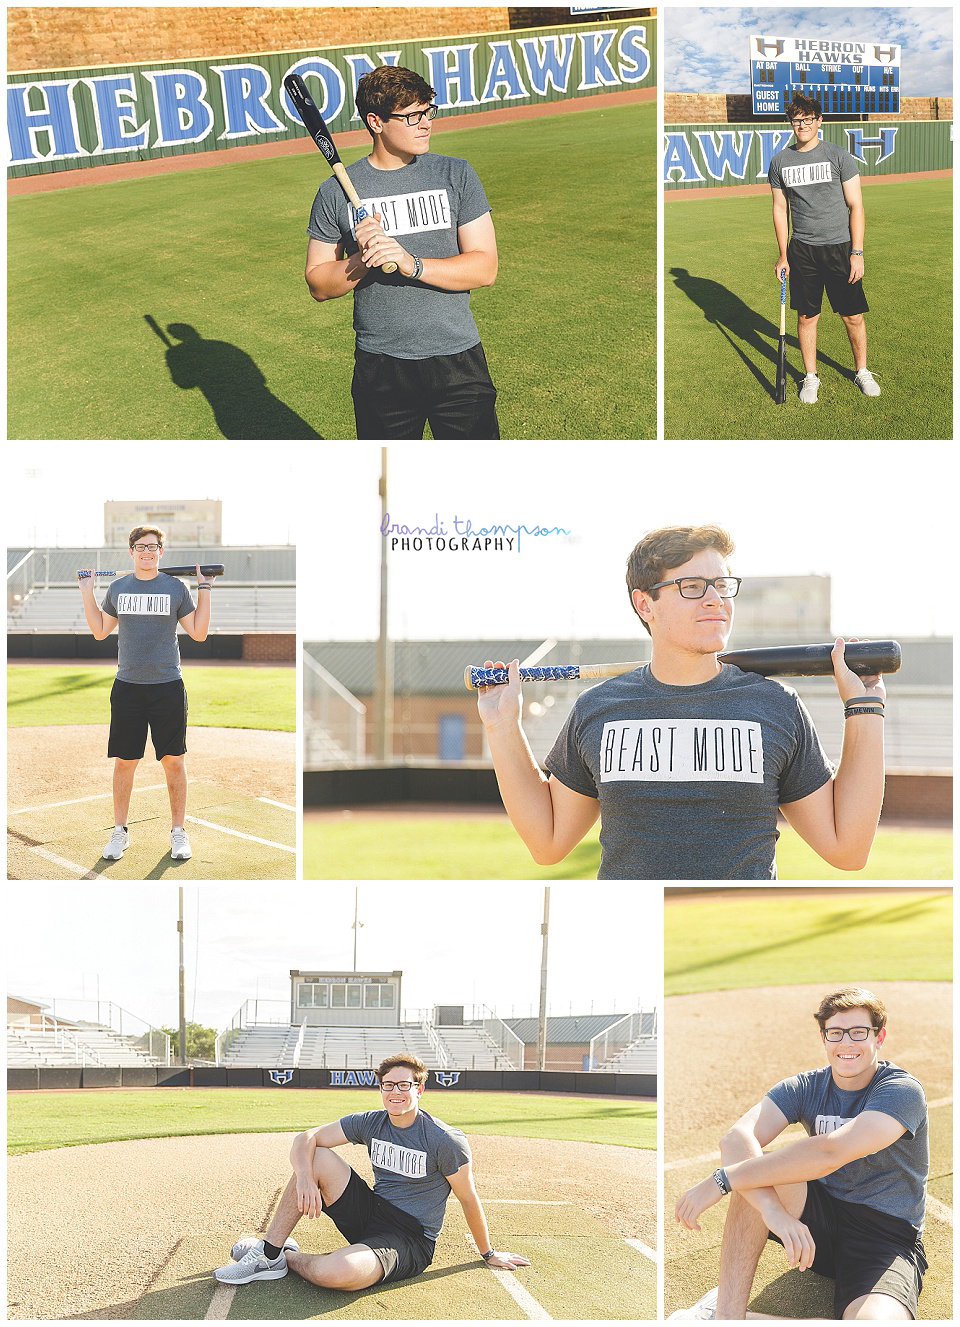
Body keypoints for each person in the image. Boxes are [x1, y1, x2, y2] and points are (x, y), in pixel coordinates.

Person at [477, 524, 885, 880]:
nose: (715, 600)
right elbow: (547, 843)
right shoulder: (599, 709)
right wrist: (501, 724)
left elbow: (847, 850)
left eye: (722, 585)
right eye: (691, 587)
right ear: (644, 604)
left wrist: (865, 708)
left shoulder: (775, 706)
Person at [670, 986, 928, 1321]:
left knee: (744, 1173)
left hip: (884, 1236)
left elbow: (830, 1151)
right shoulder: (805, 1086)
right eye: (835, 1033)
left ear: (879, 1038)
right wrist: (770, 1210)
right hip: (819, 1219)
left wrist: (723, 1179)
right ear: (823, 1038)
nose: (846, 1043)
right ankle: (725, 1317)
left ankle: (722, 1317)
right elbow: (735, 1138)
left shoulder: (901, 1090)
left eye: (858, 1032)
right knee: (754, 1171)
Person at [213, 1053, 530, 1289]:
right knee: (317, 1156)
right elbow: (305, 1139)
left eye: (404, 1085)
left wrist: (488, 1253)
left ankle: (288, 1257)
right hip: (372, 1213)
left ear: (419, 1090)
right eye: (388, 1085)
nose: (395, 1092)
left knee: (334, 1273)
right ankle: (268, 1253)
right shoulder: (372, 1122)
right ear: (381, 1089)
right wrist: (307, 1179)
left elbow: (468, 1198)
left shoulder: (444, 1140)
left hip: (409, 1237)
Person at [303, 64, 499, 440]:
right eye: (412, 116)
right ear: (375, 121)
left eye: (428, 111)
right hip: (382, 367)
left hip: (458, 358)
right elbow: (318, 284)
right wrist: (362, 260)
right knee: (389, 491)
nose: (425, 123)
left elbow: (484, 267)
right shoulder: (335, 192)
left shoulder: (456, 175)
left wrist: (411, 263)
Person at [77, 525, 213, 861]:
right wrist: (87, 591)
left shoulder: (175, 587)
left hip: (167, 687)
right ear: (131, 552)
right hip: (128, 688)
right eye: (140, 547)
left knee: (173, 761)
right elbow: (99, 631)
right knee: (125, 762)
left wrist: (205, 588)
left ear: (161, 552)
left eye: (153, 547)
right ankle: (119, 831)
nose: (147, 552)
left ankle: (178, 832)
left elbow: (198, 632)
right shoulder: (119, 587)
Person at [769, 95, 880, 404]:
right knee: (806, 317)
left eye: (807, 119)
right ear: (790, 124)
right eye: (796, 120)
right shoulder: (780, 161)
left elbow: (856, 205)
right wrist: (782, 254)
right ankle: (810, 376)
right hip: (802, 251)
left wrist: (856, 252)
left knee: (853, 316)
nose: (802, 125)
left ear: (819, 121)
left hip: (839, 249)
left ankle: (862, 371)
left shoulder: (838, 155)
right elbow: (780, 209)